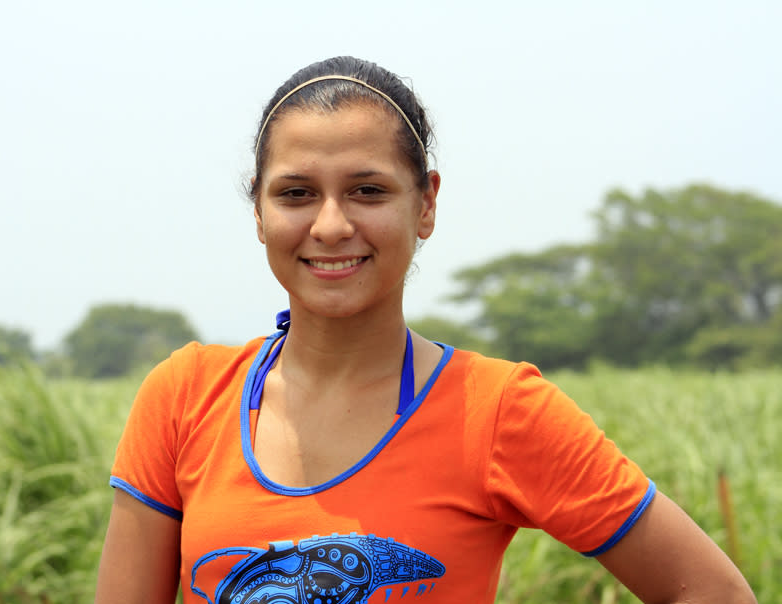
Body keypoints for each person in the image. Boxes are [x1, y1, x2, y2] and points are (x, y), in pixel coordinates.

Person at [94, 56, 756, 604]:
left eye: (368, 191)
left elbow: (711, 593)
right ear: (260, 211)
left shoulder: (497, 410)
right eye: (295, 193)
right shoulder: (185, 395)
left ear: (426, 203)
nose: (329, 225)